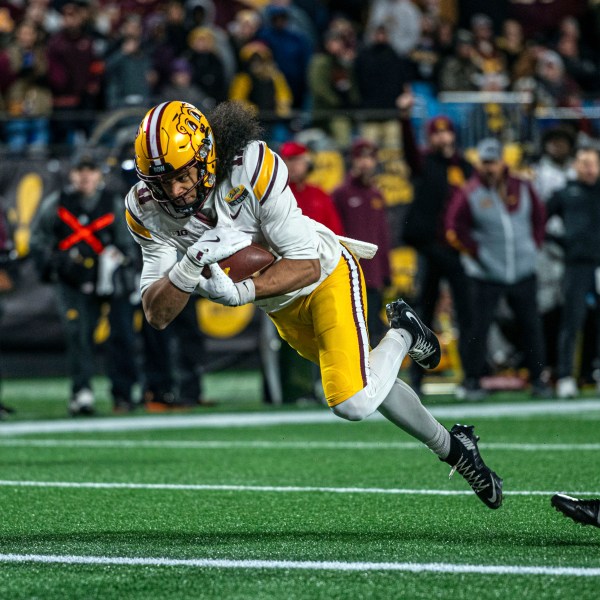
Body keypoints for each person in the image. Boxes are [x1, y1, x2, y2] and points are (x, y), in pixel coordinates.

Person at [126, 99, 504, 510]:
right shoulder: (146, 209)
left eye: (183, 176)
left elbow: (304, 264)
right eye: (162, 182)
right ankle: (456, 449)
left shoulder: (249, 167)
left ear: (206, 157)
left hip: (325, 275)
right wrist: (190, 263)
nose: (175, 191)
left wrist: (242, 293)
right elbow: (157, 313)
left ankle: (404, 332)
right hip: (283, 308)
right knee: (369, 383)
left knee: (352, 400)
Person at [30, 155, 139, 415]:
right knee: (78, 334)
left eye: (90, 171)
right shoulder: (56, 204)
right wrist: (56, 264)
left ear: (99, 175)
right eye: (80, 171)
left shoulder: (112, 204)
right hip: (73, 282)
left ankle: (123, 394)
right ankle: (82, 392)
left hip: (110, 281)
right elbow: (38, 241)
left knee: (121, 335)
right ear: (72, 174)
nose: (85, 177)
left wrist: (117, 260)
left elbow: (130, 244)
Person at [445, 137, 550, 400]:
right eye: (486, 162)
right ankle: (472, 380)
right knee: (478, 327)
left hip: (523, 269)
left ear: (503, 161)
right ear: (480, 163)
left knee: (531, 326)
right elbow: (454, 228)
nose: (490, 167)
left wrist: (533, 247)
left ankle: (539, 379)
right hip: (487, 272)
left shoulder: (522, 187)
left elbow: (539, 219)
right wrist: (477, 254)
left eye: (493, 162)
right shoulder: (470, 192)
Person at [399, 93, 474, 396]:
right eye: (437, 132)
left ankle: (472, 376)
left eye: (447, 131)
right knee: (423, 315)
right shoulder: (425, 163)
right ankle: (417, 378)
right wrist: (404, 120)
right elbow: (409, 153)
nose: (443, 136)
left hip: (457, 251)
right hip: (431, 249)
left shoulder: (466, 167)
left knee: (467, 313)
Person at [547, 147, 600, 399]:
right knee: (572, 320)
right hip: (576, 265)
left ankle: (594, 372)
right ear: (575, 166)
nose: (588, 168)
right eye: (583, 163)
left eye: (592, 163)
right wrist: (562, 243)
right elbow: (540, 220)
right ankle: (566, 375)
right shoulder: (565, 193)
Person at [332, 138, 392, 345]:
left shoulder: (376, 194)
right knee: (352, 331)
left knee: (374, 330)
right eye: (361, 157)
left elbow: (382, 236)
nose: (366, 163)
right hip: (349, 274)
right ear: (353, 160)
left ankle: (372, 377)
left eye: (370, 158)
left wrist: (386, 271)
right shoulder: (340, 194)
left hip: (374, 276)